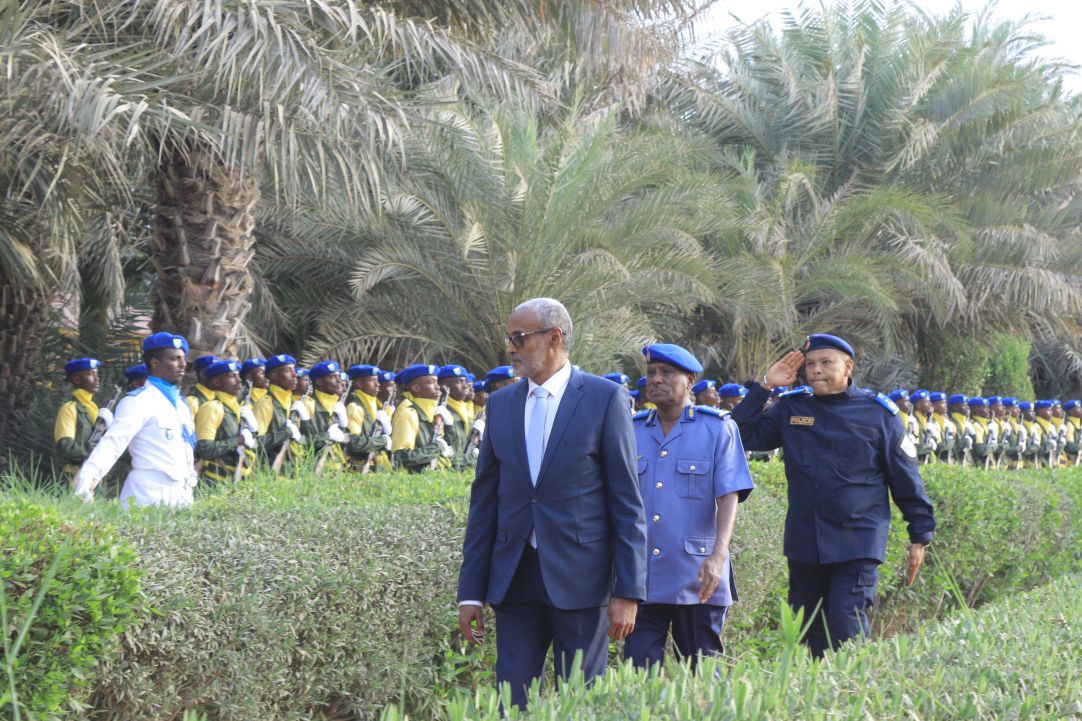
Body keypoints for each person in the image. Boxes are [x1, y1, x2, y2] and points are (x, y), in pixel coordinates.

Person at [457, 297, 647, 710]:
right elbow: (485, 503)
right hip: (515, 580)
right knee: (512, 702)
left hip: (583, 581)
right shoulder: (502, 405)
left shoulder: (604, 398)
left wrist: (628, 590)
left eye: (519, 338)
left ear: (555, 337)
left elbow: (627, 503)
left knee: (579, 703)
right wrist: (469, 592)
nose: (511, 348)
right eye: (510, 338)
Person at [730, 333, 935, 658]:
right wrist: (765, 386)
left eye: (826, 362)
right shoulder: (792, 408)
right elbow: (737, 435)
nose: (816, 370)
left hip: (857, 543)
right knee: (808, 635)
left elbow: (905, 477)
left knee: (845, 631)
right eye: (811, 364)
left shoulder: (878, 414)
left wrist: (919, 534)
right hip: (805, 543)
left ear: (848, 366)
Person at [623, 344, 754, 670]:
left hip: (697, 577)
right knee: (637, 676)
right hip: (643, 579)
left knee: (702, 679)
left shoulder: (717, 427)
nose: (656, 380)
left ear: (690, 381)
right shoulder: (633, 429)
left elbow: (729, 496)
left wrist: (718, 556)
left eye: (667, 373)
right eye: (651, 373)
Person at [73, 333, 199, 507]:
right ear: (155, 363)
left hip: (182, 494)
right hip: (148, 493)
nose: (183, 364)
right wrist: (86, 483)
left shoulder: (182, 404)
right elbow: (112, 445)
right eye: (175, 359)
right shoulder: (138, 401)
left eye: (183, 358)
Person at [194, 360, 258, 484]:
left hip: (239, 480)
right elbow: (204, 450)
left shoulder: (236, 407)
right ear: (217, 382)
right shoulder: (212, 408)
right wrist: (239, 440)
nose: (239, 380)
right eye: (232, 376)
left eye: (238, 375)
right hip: (216, 482)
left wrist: (254, 431)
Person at [390, 364, 455, 473]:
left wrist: (449, 427)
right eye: (431, 382)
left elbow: (449, 452)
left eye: (437, 381)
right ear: (416, 388)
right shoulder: (409, 414)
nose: (438, 387)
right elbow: (401, 458)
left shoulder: (433, 412)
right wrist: (437, 447)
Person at [55, 358, 110, 476]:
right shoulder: (70, 409)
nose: (97, 378)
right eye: (90, 374)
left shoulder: (94, 409)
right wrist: (96, 451)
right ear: (77, 379)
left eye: (97, 373)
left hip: (95, 475)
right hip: (74, 474)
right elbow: (66, 448)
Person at [253, 354, 305, 473]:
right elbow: (256, 444)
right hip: (272, 475)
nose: (294, 374)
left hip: (294, 472)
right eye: (288, 370)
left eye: (294, 369)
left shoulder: (292, 402)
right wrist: (286, 432)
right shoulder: (265, 404)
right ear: (273, 376)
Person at [345, 364, 392, 471]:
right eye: (372, 380)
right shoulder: (355, 408)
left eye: (377, 380)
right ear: (360, 383)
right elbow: (355, 443)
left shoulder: (375, 406)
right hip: (360, 467)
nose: (378, 384)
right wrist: (383, 440)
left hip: (379, 466)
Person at [307, 360, 350, 473]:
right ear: (320, 381)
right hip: (313, 470)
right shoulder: (309, 406)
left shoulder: (336, 406)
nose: (339, 381)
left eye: (339, 377)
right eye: (333, 377)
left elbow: (348, 444)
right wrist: (327, 435)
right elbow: (303, 441)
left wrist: (344, 427)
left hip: (336, 469)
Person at [439, 364, 475, 470]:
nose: (465, 387)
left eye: (465, 381)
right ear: (443, 386)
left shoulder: (462, 410)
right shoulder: (440, 411)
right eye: (458, 382)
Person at [910, 389, 940, 464]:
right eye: (927, 402)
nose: (930, 404)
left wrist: (935, 438)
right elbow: (916, 448)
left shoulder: (928, 420)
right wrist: (929, 446)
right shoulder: (913, 421)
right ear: (918, 405)